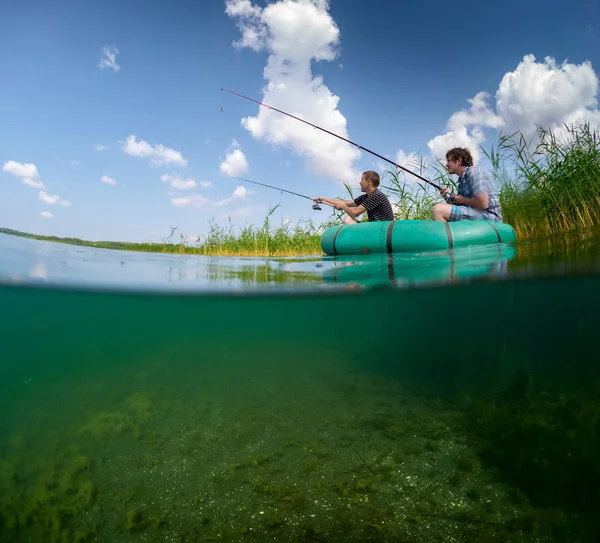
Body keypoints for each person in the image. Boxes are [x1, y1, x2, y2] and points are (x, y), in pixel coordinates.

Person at [432, 148, 503, 223]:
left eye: (449, 161)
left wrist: (463, 200)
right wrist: (449, 197)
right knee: (440, 210)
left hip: (490, 217)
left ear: (459, 161)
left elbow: (483, 203)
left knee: (438, 210)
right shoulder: (461, 180)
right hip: (478, 214)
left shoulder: (474, 172)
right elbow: (462, 206)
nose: (446, 165)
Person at [315, 171, 394, 224]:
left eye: (362, 180)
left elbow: (354, 213)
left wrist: (343, 207)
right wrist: (324, 199)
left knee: (348, 219)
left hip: (383, 230)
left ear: (369, 182)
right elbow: (345, 203)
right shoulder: (365, 197)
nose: (360, 183)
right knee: (348, 219)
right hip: (374, 228)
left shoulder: (377, 196)